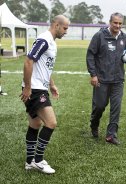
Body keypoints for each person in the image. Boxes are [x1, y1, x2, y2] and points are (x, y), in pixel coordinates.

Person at [20, 15, 70, 174]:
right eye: (65, 28)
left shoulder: (51, 42)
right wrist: (27, 87)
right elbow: (28, 61)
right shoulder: (44, 39)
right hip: (35, 90)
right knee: (51, 122)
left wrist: (52, 85)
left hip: (40, 87)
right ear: (56, 25)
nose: (66, 31)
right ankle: (39, 160)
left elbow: (44, 67)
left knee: (35, 124)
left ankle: (29, 162)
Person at [86, 12, 126, 145]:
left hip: (118, 79)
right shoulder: (99, 36)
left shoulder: (124, 38)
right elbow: (90, 55)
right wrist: (93, 75)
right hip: (102, 79)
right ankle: (94, 124)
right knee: (99, 106)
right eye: (115, 23)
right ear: (110, 22)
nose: (118, 25)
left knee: (116, 107)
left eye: (120, 23)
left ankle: (111, 135)